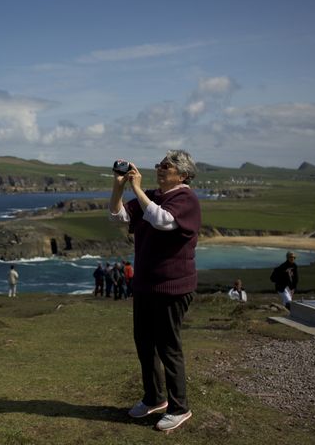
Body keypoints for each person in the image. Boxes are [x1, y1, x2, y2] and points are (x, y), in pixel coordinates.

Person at [109, 150, 201, 432]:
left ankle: (179, 407)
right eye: (159, 165)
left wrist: (137, 189)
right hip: (146, 285)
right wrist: (119, 187)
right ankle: (154, 398)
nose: (160, 170)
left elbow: (163, 220)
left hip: (173, 287)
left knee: (168, 347)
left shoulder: (186, 199)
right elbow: (119, 217)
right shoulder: (153, 195)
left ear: (183, 175)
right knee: (145, 343)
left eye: (167, 167)